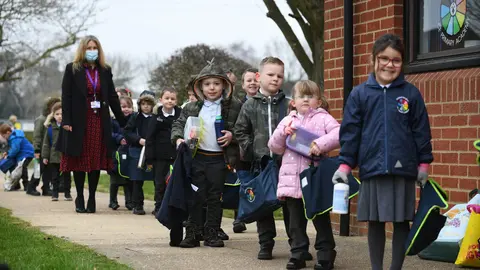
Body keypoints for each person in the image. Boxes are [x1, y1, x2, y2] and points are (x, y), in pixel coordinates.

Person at [332, 34, 433, 270]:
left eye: (396, 60)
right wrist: (345, 165)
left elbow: (421, 131)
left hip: (403, 168)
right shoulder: (360, 94)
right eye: (384, 59)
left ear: (402, 62)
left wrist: (424, 165)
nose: (390, 64)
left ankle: (396, 267)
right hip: (372, 167)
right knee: (375, 222)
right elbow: (350, 132)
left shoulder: (410, 94)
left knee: (401, 221)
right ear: (373, 60)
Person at [268, 80, 339, 270]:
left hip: (314, 179)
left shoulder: (323, 118)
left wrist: (320, 144)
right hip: (291, 180)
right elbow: (274, 146)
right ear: (293, 101)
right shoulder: (288, 121)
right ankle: (298, 254)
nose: (306, 99)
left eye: (311, 96)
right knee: (295, 222)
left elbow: (339, 133)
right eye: (301, 96)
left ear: (319, 100)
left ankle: (325, 254)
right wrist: (284, 133)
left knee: (320, 218)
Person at [171, 61, 242, 248]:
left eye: (217, 83)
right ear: (200, 87)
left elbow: (243, 128)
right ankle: (192, 233)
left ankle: (212, 233)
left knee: (215, 197)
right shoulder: (191, 107)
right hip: (197, 158)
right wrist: (178, 138)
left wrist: (232, 136)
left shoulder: (234, 106)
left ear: (224, 85)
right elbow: (178, 124)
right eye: (207, 84)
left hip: (219, 160)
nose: (212, 88)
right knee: (195, 197)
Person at [56, 35, 126, 214]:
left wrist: (123, 120)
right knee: (79, 160)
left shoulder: (105, 70)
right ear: (82, 50)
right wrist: (67, 120)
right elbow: (66, 96)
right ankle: (80, 196)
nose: (92, 51)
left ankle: (92, 197)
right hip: (78, 121)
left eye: (95, 48)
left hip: (98, 121)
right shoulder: (73, 69)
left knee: (95, 160)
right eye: (89, 48)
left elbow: (111, 96)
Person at [234, 56, 292, 260]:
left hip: (286, 164)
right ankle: (266, 244)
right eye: (271, 75)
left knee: (291, 207)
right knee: (263, 206)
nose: (275, 79)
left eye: (279, 76)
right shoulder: (250, 105)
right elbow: (240, 130)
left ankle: (297, 244)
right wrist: (251, 150)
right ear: (259, 77)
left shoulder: (288, 104)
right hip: (261, 164)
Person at [146, 87, 181, 216]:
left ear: (176, 101)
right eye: (167, 98)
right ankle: (159, 206)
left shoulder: (180, 115)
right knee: (160, 183)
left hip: (176, 155)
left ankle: (174, 208)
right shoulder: (156, 117)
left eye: (172, 99)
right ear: (161, 100)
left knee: (175, 182)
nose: (169, 101)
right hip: (160, 156)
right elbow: (150, 138)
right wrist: (149, 158)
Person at [124, 92, 156, 215]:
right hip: (137, 151)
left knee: (156, 179)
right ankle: (137, 205)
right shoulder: (135, 117)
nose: (146, 106)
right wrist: (139, 140)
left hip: (152, 152)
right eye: (143, 104)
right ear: (139, 105)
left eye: (148, 104)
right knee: (137, 179)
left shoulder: (155, 118)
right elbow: (127, 132)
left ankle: (158, 205)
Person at [30, 97, 61, 196]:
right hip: (41, 149)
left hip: (48, 150)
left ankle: (46, 188)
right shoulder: (41, 119)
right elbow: (37, 136)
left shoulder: (52, 120)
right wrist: (37, 149)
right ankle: (31, 187)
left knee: (48, 171)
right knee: (38, 170)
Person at [42, 102, 72, 201]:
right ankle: (55, 194)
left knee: (67, 176)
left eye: (62, 114)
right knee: (54, 177)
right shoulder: (50, 129)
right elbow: (46, 144)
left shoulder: (69, 127)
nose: (60, 116)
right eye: (57, 114)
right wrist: (45, 156)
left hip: (66, 155)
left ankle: (67, 193)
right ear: (53, 115)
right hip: (54, 156)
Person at [109, 96, 134, 211]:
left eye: (128, 107)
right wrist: (119, 138)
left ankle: (129, 201)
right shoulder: (113, 120)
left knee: (127, 179)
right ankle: (112, 201)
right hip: (115, 151)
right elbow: (110, 133)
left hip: (128, 152)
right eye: (123, 107)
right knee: (115, 180)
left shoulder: (133, 120)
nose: (126, 109)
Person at [0, 124, 34, 191]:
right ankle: (16, 185)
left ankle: (26, 185)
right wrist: (7, 152)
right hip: (22, 155)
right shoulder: (12, 137)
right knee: (15, 168)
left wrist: (8, 155)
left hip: (27, 154)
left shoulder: (15, 137)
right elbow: (13, 148)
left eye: (4, 136)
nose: (4, 138)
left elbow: (15, 149)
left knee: (23, 168)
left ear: (8, 132)